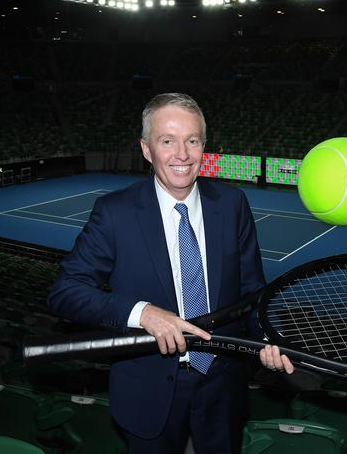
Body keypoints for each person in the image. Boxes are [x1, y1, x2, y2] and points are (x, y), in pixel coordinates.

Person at [48, 93, 293, 454]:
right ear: (147, 149)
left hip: (221, 382)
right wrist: (142, 313)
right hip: (146, 385)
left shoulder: (232, 204)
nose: (182, 154)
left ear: (203, 146)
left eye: (192, 140)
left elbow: (252, 292)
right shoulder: (115, 212)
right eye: (168, 141)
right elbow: (64, 291)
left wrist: (269, 339)